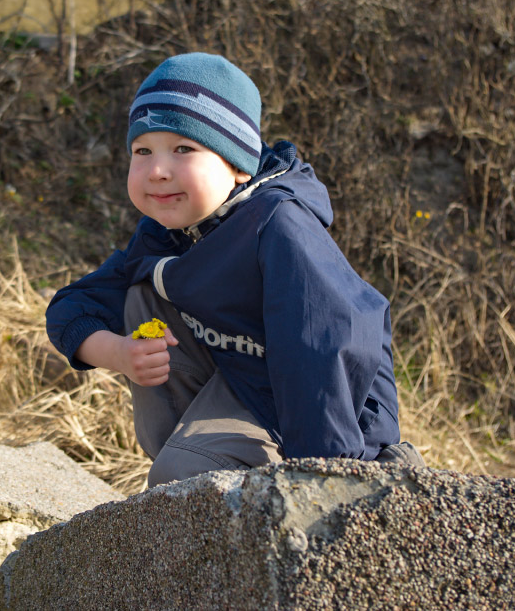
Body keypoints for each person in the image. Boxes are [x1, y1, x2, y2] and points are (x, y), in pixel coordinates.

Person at [46, 52, 422, 488]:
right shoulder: (166, 233)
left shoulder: (277, 224)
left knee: (181, 481)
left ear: (238, 165)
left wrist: (325, 478)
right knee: (141, 294)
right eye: (142, 150)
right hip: (244, 382)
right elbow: (72, 307)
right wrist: (119, 353)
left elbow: (326, 345)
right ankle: (195, 454)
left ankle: (221, 470)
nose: (157, 171)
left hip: (326, 418)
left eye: (183, 148)